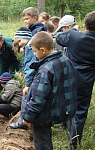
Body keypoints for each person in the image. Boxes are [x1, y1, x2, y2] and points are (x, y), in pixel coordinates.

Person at [22, 32, 77, 150]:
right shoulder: (65, 60)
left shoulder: (45, 70)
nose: (35, 55)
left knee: (42, 143)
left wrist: (27, 117)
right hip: (62, 108)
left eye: (35, 51)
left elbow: (37, 100)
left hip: (45, 114)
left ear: (42, 50)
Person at [56, 11, 95, 149]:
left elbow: (58, 38)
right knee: (80, 111)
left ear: (84, 26)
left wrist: (74, 30)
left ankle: (64, 126)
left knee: (65, 102)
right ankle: (74, 142)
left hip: (68, 76)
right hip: (86, 80)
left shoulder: (73, 36)